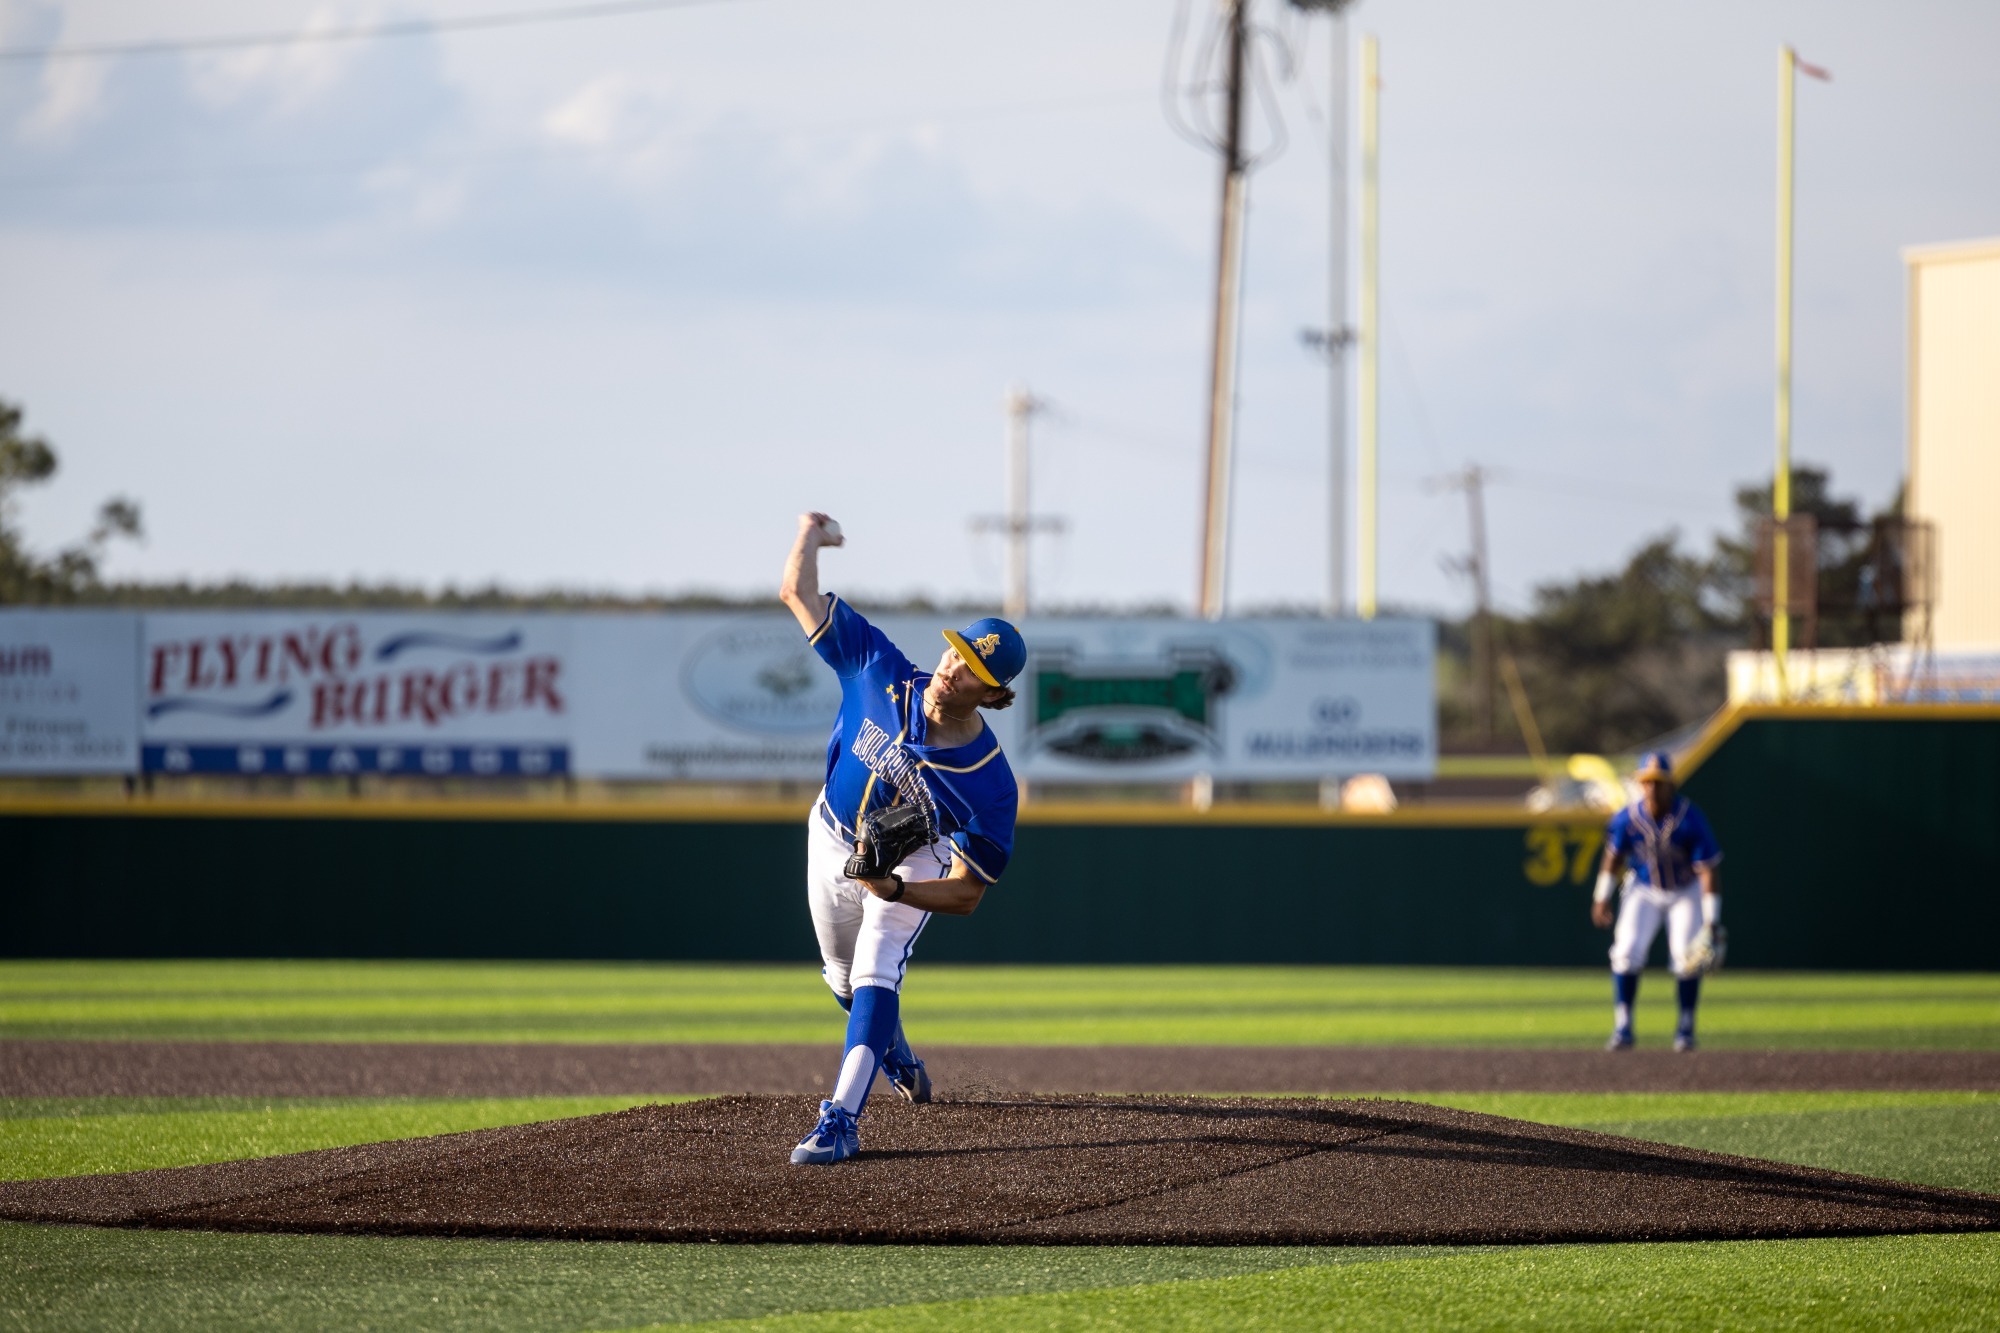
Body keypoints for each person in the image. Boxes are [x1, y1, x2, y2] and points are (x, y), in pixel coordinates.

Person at [776, 511, 1023, 1165]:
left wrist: (895, 888)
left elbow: (968, 892)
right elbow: (797, 593)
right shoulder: (877, 667)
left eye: (972, 669)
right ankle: (897, 1052)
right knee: (842, 982)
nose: (953, 668)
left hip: (911, 861)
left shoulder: (990, 783)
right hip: (830, 838)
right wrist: (810, 533)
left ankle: (841, 1120)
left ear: (993, 694)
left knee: (876, 966)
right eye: (955, 651)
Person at [1591, 751, 1723, 1052]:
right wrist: (1601, 896)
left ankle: (1686, 1027)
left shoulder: (1689, 818)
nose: (1652, 788)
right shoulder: (1627, 817)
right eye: (1646, 782)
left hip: (1684, 889)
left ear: (1670, 784)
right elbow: (1613, 857)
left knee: (1687, 958)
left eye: (1658, 782)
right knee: (1625, 951)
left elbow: (1708, 870)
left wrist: (1712, 919)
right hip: (1643, 888)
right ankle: (1623, 1025)